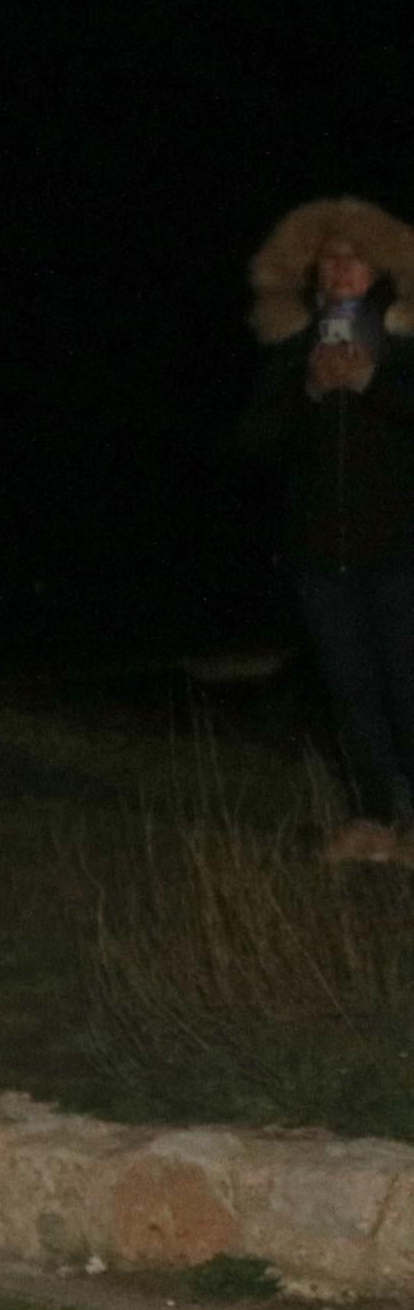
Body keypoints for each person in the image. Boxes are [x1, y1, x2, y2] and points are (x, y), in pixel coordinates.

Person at [244, 198, 414, 862]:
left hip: (402, 546)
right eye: (330, 257)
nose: (341, 268)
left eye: (355, 257)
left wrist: (370, 381)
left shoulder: (403, 341)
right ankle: (372, 819)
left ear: (380, 270)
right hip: (320, 557)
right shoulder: (294, 345)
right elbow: (251, 440)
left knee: (408, 684)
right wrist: (305, 391)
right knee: (348, 689)